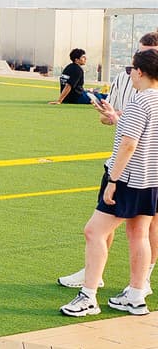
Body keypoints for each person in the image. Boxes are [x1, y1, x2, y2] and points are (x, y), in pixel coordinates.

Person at [58, 33, 158, 299]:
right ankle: (134, 291)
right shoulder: (135, 89)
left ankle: (93, 293)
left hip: (131, 172)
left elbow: (130, 142)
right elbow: (131, 126)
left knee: (101, 230)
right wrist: (114, 117)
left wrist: (113, 179)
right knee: (136, 232)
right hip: (143, 173)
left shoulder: (142, 98)